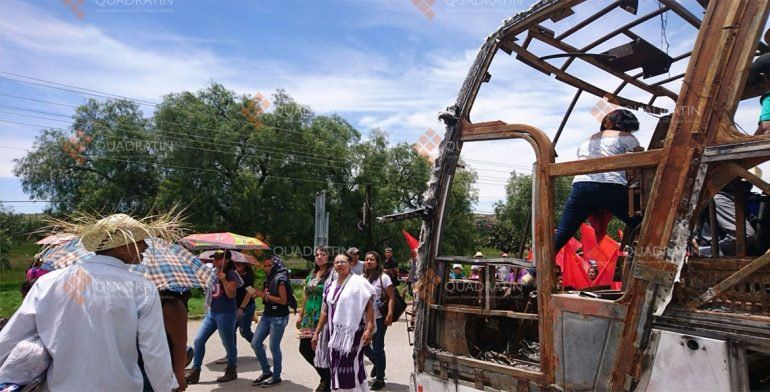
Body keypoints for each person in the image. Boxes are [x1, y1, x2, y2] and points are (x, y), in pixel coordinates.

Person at [0, 213, 178, 391]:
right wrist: (165, 388)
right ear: (123, 245)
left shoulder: (49, 282)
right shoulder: (142, 288)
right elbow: (155, 353)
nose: (146, 247)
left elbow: (11, 337)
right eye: (141, 241)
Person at [553, 109, 644, 253]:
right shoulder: (627, 137)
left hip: (581, 186)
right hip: (611, 187)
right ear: (626, 126)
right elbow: (639, 166)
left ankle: (533, 271)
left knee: (563, 232)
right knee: (642, 224)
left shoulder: (588, 140)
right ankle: (645, 256)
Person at [311, 253, 375, 392]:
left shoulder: (359, 282)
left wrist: (369, 329)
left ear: (350, 264)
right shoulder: (330, 286)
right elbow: (324, 311)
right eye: (336, 262)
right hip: (335, 335)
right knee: (335, 364)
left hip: (353, 333)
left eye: (343, 262)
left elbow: (369, 307)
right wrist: (316, 333)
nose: (339, 264)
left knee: (350, 365)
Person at [187, 249, 243, 384]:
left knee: (228, 343)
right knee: (198, 340)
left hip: (226, 313)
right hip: (212, 313)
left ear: (227, 260)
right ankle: (195, 371)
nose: (215, 261)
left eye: (218, 258)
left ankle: (231, 370)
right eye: (214, 258)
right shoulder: (212, 272)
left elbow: (231, 294)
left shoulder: (232, 274)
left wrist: (224, 280)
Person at [298, 246, 334, 392]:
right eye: (317, 255)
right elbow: (306, 294)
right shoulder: (313, 273)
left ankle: (327, 381)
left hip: (323, 316)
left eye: (323, 254)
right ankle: (326, 377)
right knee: (305, 348)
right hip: (308, 317)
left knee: (321, 350)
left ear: (329, 257)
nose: (319, 257)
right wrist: (301, 314)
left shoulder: (333, 273)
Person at [250, 255, 290, 388]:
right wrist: (258, 294)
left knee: (274, 347)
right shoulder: (269, 278)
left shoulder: (281, 279)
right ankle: (267, 372)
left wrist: (264, 295)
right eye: (265, 266)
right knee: (255, 343)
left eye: (269, 265)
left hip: (278, 316)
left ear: (276, 265)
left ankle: (276, 377)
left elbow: (283, 301)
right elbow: (268, 296)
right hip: (267, 314)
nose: (266, 268)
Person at [694, 181, 758, 256]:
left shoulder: (719, 199)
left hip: (715, 259)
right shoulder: (738, 199)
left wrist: (704, 251)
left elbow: (746, 235)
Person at [362, 251, 394, 390]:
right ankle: (377, 362)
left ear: (377, 262)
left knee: (378, 347)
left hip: (379, 318)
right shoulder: (361, 278)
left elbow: (391, 296)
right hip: (363, 319)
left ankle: (380, 379)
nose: (369, 262)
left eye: (372, 259)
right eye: (367, 259)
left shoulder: (384, 278)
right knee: (363, 346)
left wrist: (390, 314)